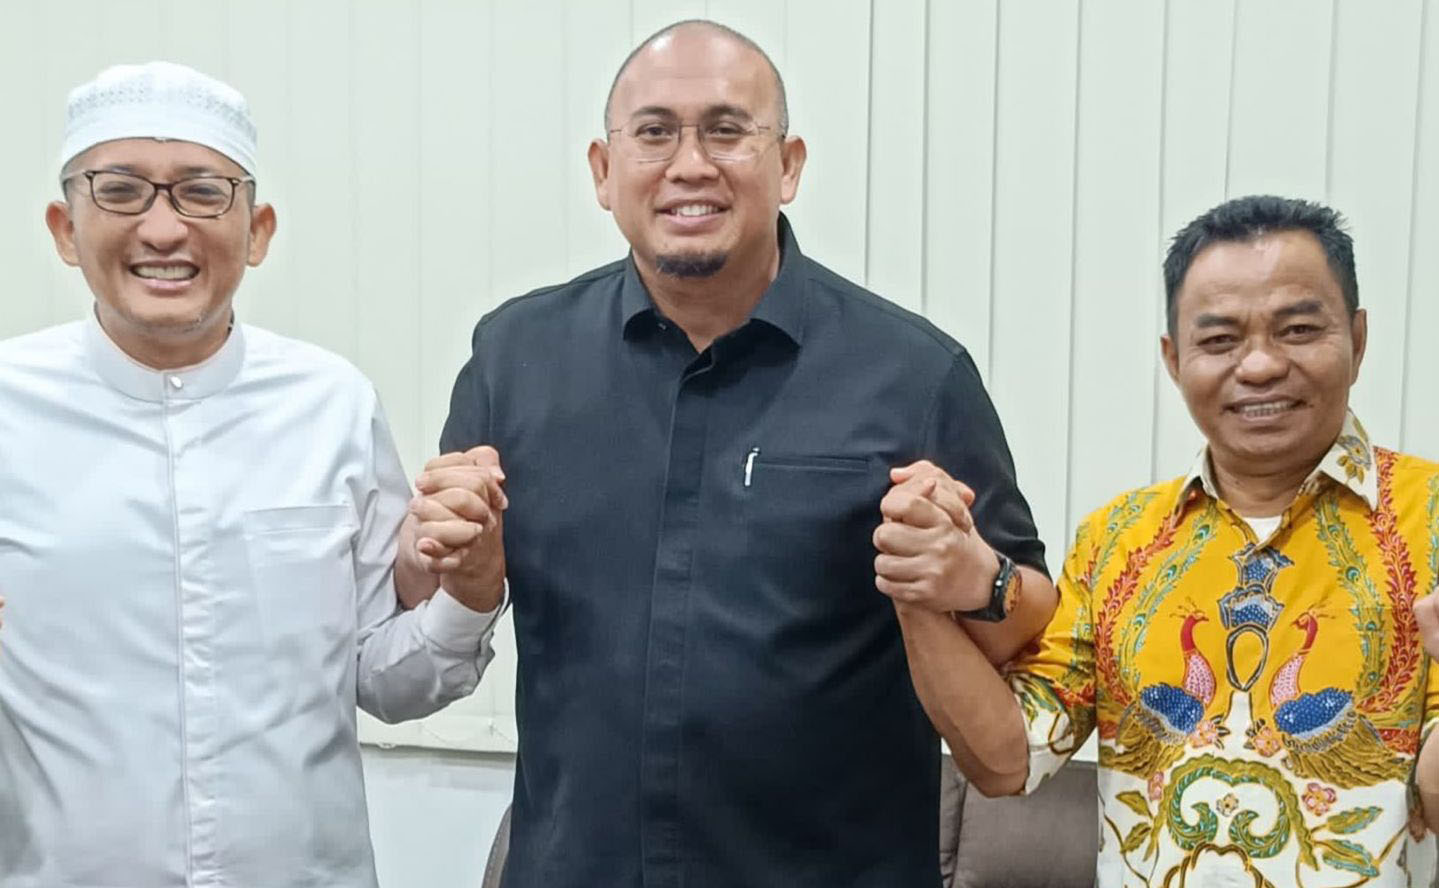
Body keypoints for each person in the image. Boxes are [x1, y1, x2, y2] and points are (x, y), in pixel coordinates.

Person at [425, 19, 1054, 888]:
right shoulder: (515, 358)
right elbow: (443, 595)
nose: (690, 164)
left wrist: (974, 578)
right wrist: (455, 562)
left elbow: (1024, 625)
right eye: (654, 132)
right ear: (603, 172)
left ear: (787, 165)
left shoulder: (913, 375)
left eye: (726, 130)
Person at [0, 61, 505, 888]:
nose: (163, 229)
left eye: (202, 192)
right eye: (120, 191)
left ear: (258, 230)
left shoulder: (330, 404)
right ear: (64, 228)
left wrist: (470, 589)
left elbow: (390, 682)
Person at [940, 194, 1439, 886]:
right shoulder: (1119, 540)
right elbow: (1008, 760)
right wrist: (918, 590)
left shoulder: (1428, 520)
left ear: (1356, 339)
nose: (1259, 366)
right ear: (1173, 360)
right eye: (1220, 340)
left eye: (1297, 330)